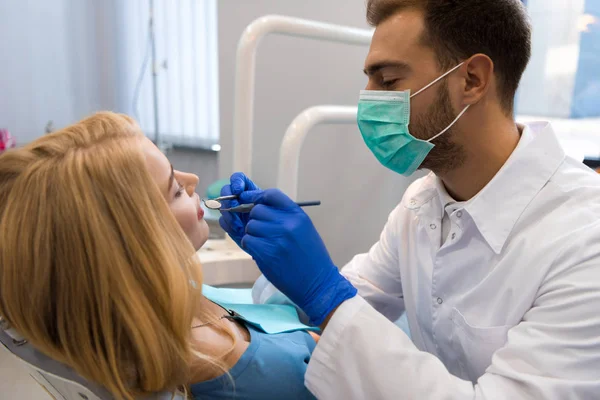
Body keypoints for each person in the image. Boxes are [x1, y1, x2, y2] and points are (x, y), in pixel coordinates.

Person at [219, 0, 600, 398]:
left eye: (387, 81)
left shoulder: (585, 240)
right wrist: (281, 262)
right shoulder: (424, 202)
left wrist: (324, 294)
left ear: (472, 79)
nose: (366, 102)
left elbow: (335, 304)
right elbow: (355, 298)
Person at [0, 112, 317, 400]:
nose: (192, 180)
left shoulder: (147, 304)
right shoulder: (230, 365)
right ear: (135, 241)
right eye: (176, 189)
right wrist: (319, 296)